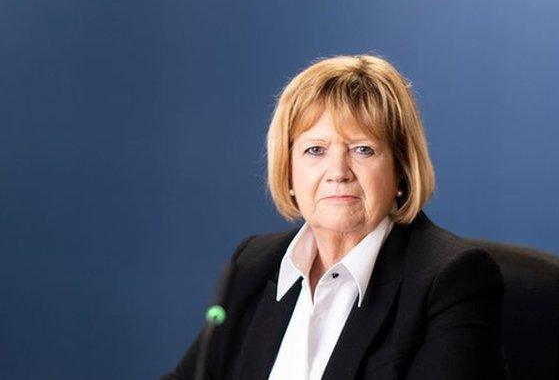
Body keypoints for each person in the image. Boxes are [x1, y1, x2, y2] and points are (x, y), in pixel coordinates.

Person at [164, 54, 506, 379]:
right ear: (288, 168)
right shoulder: (254, 266)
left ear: (401, 168)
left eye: (363, 149)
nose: (338, 172)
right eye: (316, 150)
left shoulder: (451, 282)